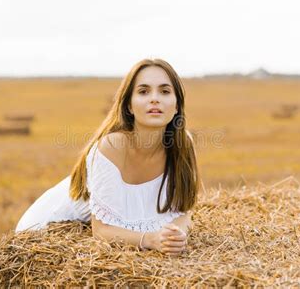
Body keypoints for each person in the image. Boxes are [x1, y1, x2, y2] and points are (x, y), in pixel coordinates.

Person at [15, 58, 202, 257]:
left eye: (165, 91)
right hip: (44, 230)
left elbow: (183, 212)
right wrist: (151, 239)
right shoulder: (112, 147)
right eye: (143, 91)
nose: (154, 99)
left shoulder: (182, 145)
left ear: (176, 106)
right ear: (129, 105)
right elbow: (102, 230)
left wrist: (175, 236)